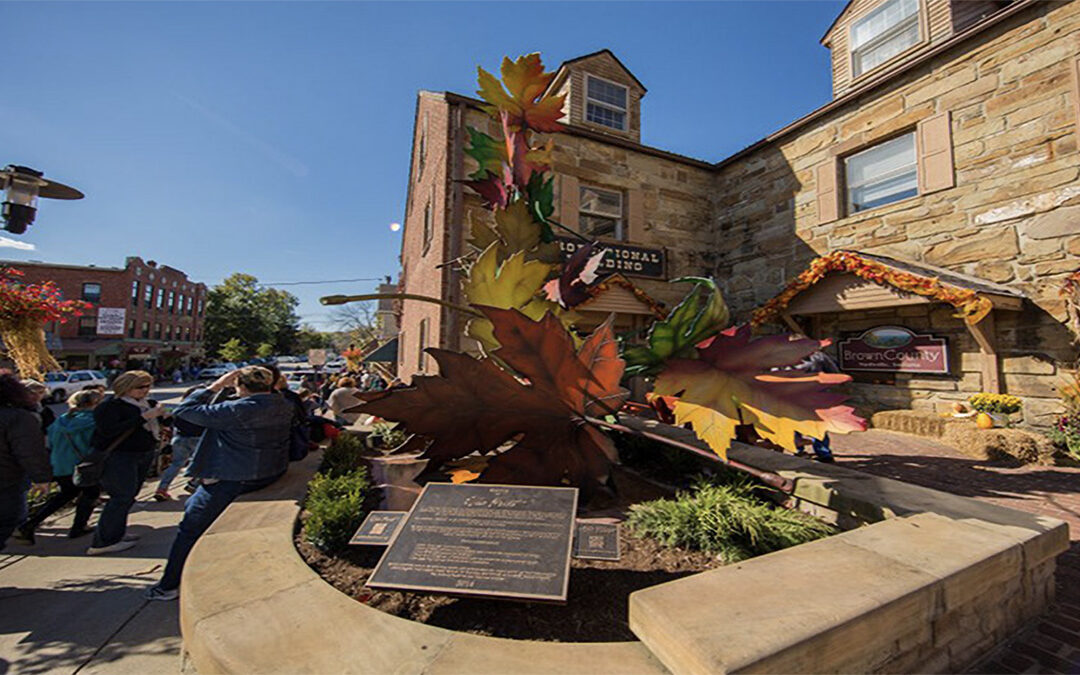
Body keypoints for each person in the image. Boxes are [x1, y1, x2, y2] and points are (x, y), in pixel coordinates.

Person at [145, 366, 292, 601]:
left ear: (240, 385)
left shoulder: (238, 409)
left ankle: (169, 584)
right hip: (267, 472)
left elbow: (185, 411)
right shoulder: (282, 404)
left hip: (231, 477)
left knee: (190, 529)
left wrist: (214, 387)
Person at [88, 370, 167, 555]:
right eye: (141, 387)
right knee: (121, 497)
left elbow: (161, 420)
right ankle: (103, 542)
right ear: (126, 387)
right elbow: (109, 431)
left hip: (142, 454)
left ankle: (115, 533)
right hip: (119, 456)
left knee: (129, 496)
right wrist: (144, 417)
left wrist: (163, 415)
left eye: (148, 386)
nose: (146, 391)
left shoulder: (148, 404)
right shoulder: (110, 407)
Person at [16, 390, 104, 542]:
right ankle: (78, 527)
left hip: (59, 464)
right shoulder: (93, 421)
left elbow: (51, 441)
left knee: (66, 494)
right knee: (90, 493)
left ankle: (30, 524)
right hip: (82, 465)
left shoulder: (62, 420)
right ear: (94, 404)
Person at [0, 374, 52, 551]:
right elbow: (29, 452)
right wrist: (41, 478)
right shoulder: (18, 417)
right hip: (7, 481)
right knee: (7, 520)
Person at [154, 387, 204, 501]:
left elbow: (169, 421)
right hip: (198, 438)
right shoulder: (202, 409)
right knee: (203, 462)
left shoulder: (180, 408)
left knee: (176, 464)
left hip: (180, 438)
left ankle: (162, 488)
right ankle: (194, 483)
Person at [794, 350, 841, 463]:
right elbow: (834, 372)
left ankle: (798, 450)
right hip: (817, 393)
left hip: (794, 393)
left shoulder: (784, 356)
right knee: (818, 423)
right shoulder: (818, 355)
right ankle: (823, 452)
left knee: (795, 422)